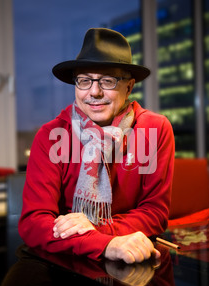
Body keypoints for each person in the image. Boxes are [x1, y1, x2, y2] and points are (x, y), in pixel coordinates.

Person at [18, 28, 175, 264]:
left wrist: (94, 228)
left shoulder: (154, 130)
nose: (94, 92)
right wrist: (105, 243)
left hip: (133, 255)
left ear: (129, 87)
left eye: (107, 81)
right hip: (66, 262)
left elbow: (154, 213)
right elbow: (34, 223)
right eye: (84, 81)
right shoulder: (50, 135)